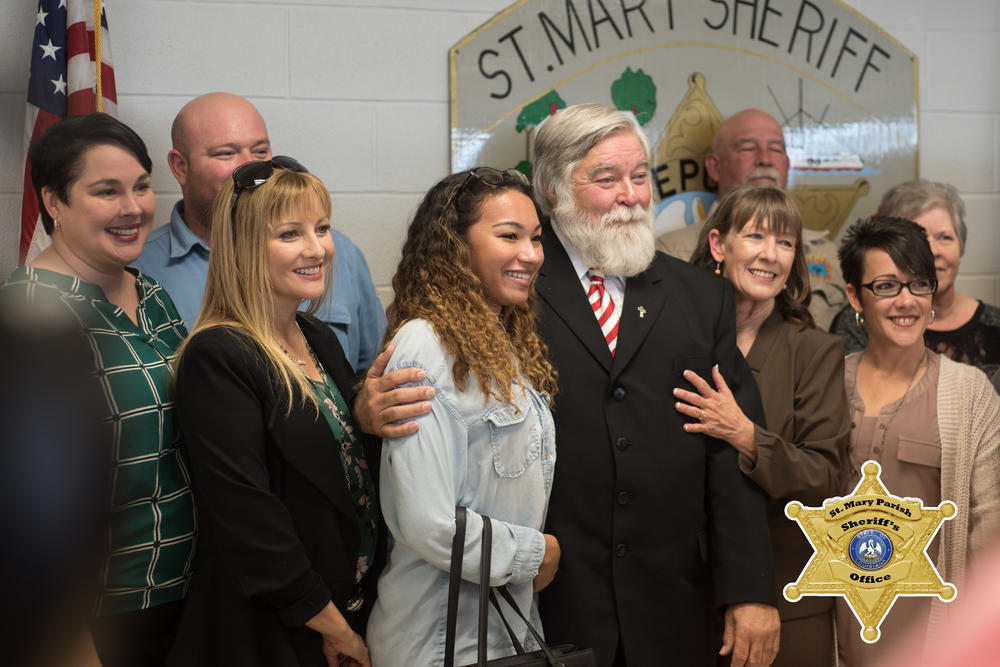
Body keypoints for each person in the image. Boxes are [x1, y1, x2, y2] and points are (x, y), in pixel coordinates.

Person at [168, 158, 384, 666]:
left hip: (346, 607)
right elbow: (249, 520)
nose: (317, 249)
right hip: (270, 629)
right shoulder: (219, 355)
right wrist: (334, 627)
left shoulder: (319, 337)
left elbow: (345, 476)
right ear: (245, 247)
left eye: (322, 228)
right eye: (290, 233)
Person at [1, 113, 195, 666]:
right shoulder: (28, 318)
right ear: (54, 202)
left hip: (190, 597)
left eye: (140, 186)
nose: (132, 207)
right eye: (106, 191)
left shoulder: (151, 294)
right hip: (98, 622)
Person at [365, 168, 560, 665]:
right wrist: (534, 554)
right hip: (436, 640)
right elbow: (427, 521)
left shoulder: (502, 337)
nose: (531, 254)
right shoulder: (426, 345)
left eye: (535, 238)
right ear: (456, 246)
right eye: (509, 236)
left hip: (499, 632)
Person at [678, 185, 850, 666]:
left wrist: (746, 434)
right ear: (718, 245)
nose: (770, 256)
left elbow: (826, 476)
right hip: (681, 597)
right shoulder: (675, 340)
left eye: (786, 243)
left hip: (783, 597)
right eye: (755, 236)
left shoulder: (813, 351)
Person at [834, 216, 1000, 664]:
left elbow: (988, 535)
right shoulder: (822, 381)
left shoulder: (970, 393)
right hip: (830, 638)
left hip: (931, 642)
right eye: (886, 286)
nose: (905, 301)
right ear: (855, 296)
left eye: (918, 285)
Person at [134, 92, 385, 372]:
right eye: (226, 153)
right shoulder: (140, 271)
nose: (249, 166)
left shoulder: (335, 253)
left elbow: (371, 372)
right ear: (180, 167)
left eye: (260, 152)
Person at [656, 108, 846, 329]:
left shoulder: (829, 254)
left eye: (775, 149)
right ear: (715, 167)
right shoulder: (671, 251)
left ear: (787, 164)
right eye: (747, 148)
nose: (764, 159)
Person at [830, 180, 1000, 382]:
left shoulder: (995, 324)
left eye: (944, 237)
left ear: (961, 246)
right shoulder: (856, 323)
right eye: (918, 240)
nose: (933, 251)